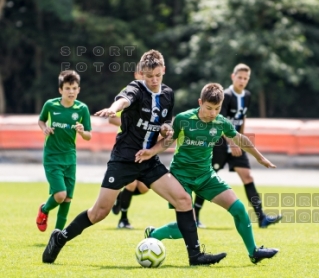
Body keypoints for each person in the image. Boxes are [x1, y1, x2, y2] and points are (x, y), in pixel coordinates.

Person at [42, 49, 226, 266]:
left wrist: (166, 129)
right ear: (141, 73)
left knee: (184, 200)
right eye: (149, 76)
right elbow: (124, 100)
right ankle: (60, 237)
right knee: (100, 212)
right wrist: (113, 109)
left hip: (149, 161)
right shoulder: (136, 88)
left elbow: (165, 123)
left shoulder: (168, 94)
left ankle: (195, 256)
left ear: (163, 70)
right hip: (123, 159)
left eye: (157, 75)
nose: (154, 80)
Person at [136, 83, 279, 265]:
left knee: (239, 209)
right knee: (188, 227)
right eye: (209, 108)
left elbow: (240, 139)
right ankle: (154, 234)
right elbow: (167, 142)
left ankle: (254, 252)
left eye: (217, 109)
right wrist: (150, 152)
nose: (213, 113)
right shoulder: (183, 119)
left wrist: (260, 158)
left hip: (206, 176)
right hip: (181, 177)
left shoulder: (221, 122)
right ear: (200, 102)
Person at [193, 64, 282, 229]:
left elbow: (242, 119)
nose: (242, 81)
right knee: (206, 179)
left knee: (248, 177)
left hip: (235, 143)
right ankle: (194, 216)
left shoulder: (247, 95)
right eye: (239, 77)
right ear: (232, 77)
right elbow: (221, 123)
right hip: (220, 143)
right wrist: (232, 142)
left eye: (245, 78)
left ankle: (261, 217)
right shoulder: (225, 96)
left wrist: (240, 139)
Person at [36, 70, 92, 232]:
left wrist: (82, 132)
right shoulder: (50, 105)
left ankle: (57, 235)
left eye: (74, 88)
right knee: (60, 195)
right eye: (67, 88)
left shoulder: (82, 109)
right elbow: (41, 120)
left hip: (70, 158)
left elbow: (89, 136)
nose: (71, 91)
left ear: (79, 90)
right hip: (52, 157)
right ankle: (44, 209)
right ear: (60, 90)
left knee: (67, 198)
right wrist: (45, 128)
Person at [109, 65, 149, 229]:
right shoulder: (128, 91)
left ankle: (120, 197)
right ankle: (123, 220)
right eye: (142, 73)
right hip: (127, 145)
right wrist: (132, 124)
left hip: (145, 146)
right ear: (136, 74)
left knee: (144, 188)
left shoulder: (154, 95)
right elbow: (112, 119)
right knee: (131, 184)